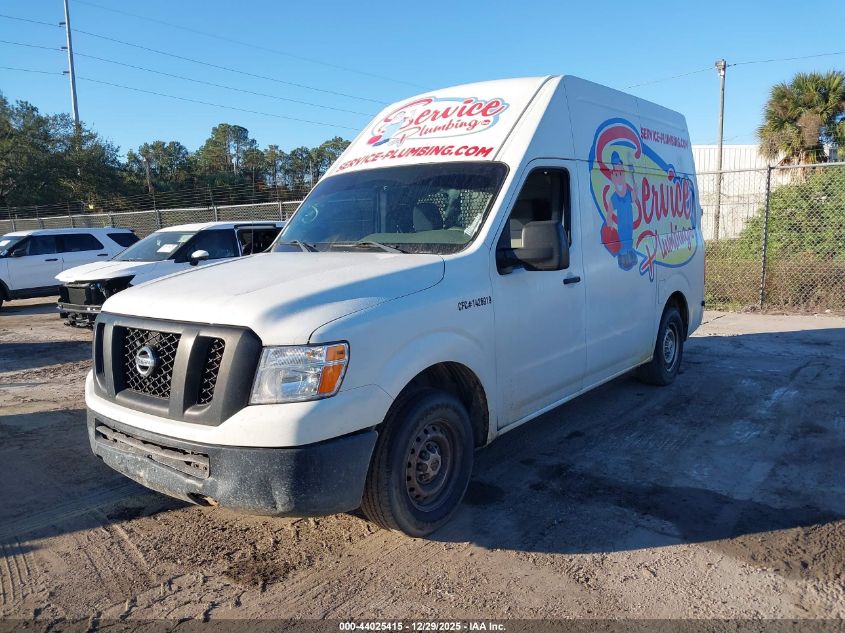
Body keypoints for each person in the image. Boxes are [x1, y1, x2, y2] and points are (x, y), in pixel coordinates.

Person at [607, 151, 639, 271]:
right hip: (621, 230)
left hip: (629, 229)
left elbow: (635, 198)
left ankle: (629, 253)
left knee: (628, 239)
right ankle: (625, 254)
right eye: (617, 175)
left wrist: (635, 188)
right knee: (624, 240)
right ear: (612, 177)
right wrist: (609, 222)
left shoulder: (628, 195)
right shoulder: (615, 197)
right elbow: (610, 211)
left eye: (621, 174)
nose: (620, 178)